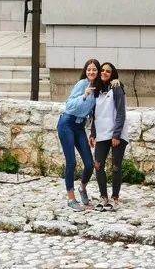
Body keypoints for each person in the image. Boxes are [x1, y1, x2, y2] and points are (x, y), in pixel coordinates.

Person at [57, 59, 100, 211]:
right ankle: (71, 198)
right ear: (85, 71)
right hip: (67, 123)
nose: (91, 72)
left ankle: (82, 188)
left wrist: (93, 133)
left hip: (80, 126)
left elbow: (95, 114)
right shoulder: (82, 84)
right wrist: (84, 96)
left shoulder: (99, 89)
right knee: (71, 162)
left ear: (98, 71)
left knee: (89, 164)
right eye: (89, 69)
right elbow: (69, 105)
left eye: (94, 69)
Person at [90, 62, 129, 212]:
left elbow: (120, 112)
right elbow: (95, 115)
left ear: (112, 74)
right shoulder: (97, 90)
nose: (104, 73)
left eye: (108, 71)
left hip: (116, 133)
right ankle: (103, 197)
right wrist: (93, 133)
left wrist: (116, 134)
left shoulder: (117, 88)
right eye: (103, 70)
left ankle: (115, 197)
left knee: (115, 167)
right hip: (102, 133)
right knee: (98, 165)